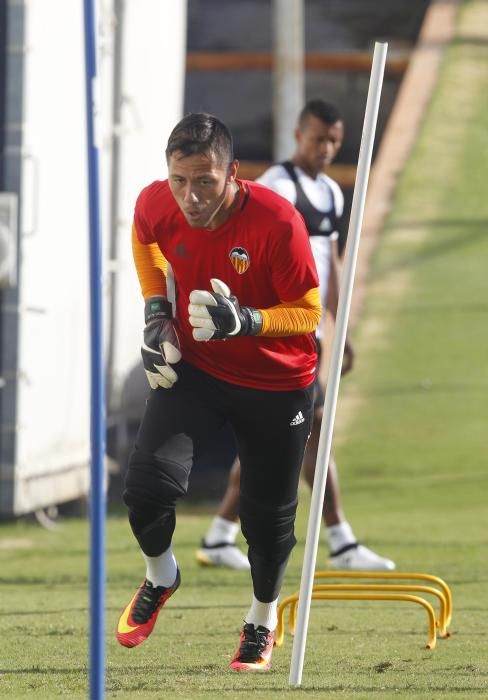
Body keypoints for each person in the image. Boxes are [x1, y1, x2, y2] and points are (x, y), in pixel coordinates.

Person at [116, 112, 323, 672]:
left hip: (278, 381)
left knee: (266, 521)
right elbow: (144, 244)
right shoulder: (156, 202)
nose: (190, 195)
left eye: (205, 181)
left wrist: (249, 321)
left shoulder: (278, 222)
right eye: (180, 180)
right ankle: (162, 577)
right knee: (145, 488)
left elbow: (309, 311)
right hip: (200, 370)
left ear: (233, 172)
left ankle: (261, 618)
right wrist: (157, 312)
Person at [196, 100, 395, 573]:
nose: (326, 149)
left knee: (287, 436)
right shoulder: (275, 187)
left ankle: (220, 534)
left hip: (310, 332)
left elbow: (332, 260)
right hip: (274, 329)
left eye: (334, 141)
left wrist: (340, 325)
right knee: (312, 428)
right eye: (318, 139)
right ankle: (341, 539)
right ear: (298, 135)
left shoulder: (331, 192)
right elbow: (244, 248)